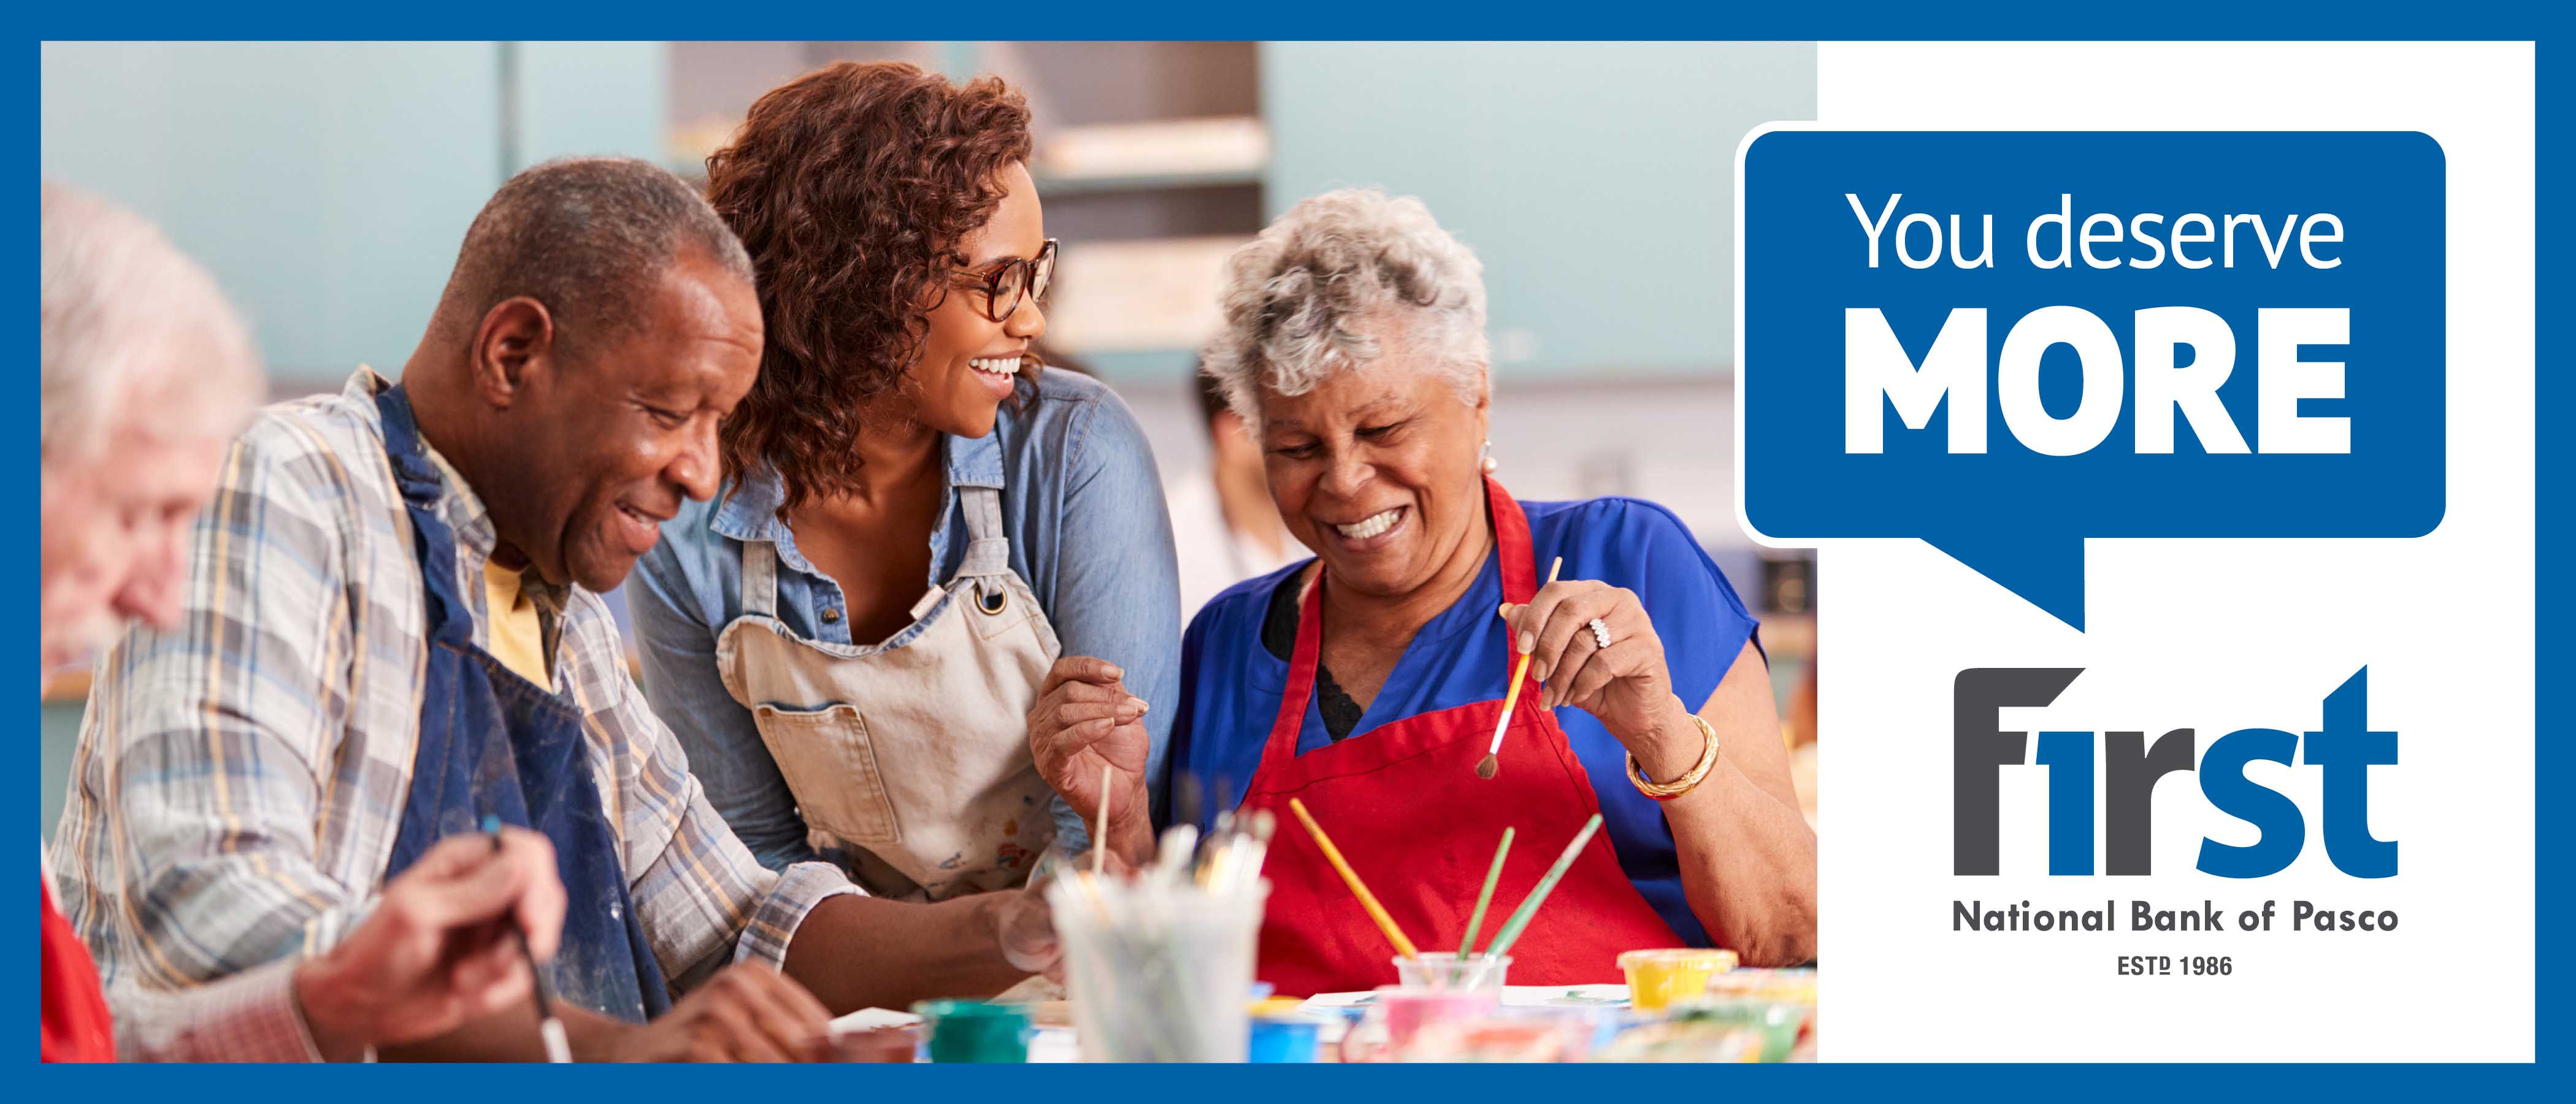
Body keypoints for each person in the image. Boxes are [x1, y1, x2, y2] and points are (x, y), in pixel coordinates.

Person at [53, 158, 1061, 1063]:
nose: (703, 474)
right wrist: (614, 1056)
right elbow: (209, 912)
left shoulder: (558, 597)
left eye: (719, 425)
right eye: (670, 414)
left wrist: (1029, 926)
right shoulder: (289, 485)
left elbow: (730, 925)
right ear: (512, 354)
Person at [1141, 190, 1818, 995]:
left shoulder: (1631, 560)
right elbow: (1173, 976)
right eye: (1297, 447)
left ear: (1477, 397)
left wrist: (1663, 734)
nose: (1346, 481)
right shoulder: (1226, 643)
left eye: (1384, 430)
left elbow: (1789, 931)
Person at [40, 184, 567, 1062]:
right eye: (137, 516)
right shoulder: (293, 480)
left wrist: (335, 996)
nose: (158, 601)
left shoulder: (553, 595)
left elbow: (77, 1049)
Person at [631, 61, 1182, 894]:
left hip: (1071, 980)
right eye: (997, 282)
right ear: (858, 284)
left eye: (1036, 273)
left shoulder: (1077, 456)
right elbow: (749, 869)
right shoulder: (689, 517)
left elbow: (1107, 842)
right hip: (850, 992)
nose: (1030, 319)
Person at [1167, 364, 1308, 617]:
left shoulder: (1314, 519)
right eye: (1291, 427)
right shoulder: (1172, 557)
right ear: (1235, 433)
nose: (1309, 444)